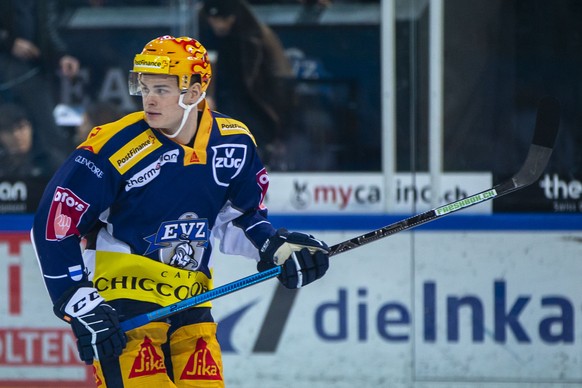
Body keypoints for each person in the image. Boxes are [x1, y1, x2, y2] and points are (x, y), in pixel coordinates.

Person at [31, 35, 330, 387]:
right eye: (144, 87)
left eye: (162, 88)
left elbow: (240, 217)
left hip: (192, 301)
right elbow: (54, 226)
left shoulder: (233, 142)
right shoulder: (112, 147)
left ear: (194, 91)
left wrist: (276, 247)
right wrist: (79, 301)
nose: (149, 99)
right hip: (125, 303)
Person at [200, 0, 294, 169]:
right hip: (220, 101)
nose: (219, 24)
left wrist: (276, 112)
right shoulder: (200, 28)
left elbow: (280, 76)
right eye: (214, 19)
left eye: (224, 19)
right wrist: (207, 94)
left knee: (251, 144)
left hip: (254, 101)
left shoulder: (257, 35)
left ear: (233, 17)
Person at [0, 0, 80, 170]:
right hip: (4, 71)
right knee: (8, 129)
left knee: (50, 136)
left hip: (33, 71)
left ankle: (59, 186)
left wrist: (61, 56)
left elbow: (47, 31)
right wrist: (9, 41)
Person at [0, 103, 52, 178]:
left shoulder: (48, 162)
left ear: (31, 128)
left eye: (21, 127)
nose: (16, 135)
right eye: (9, 130)